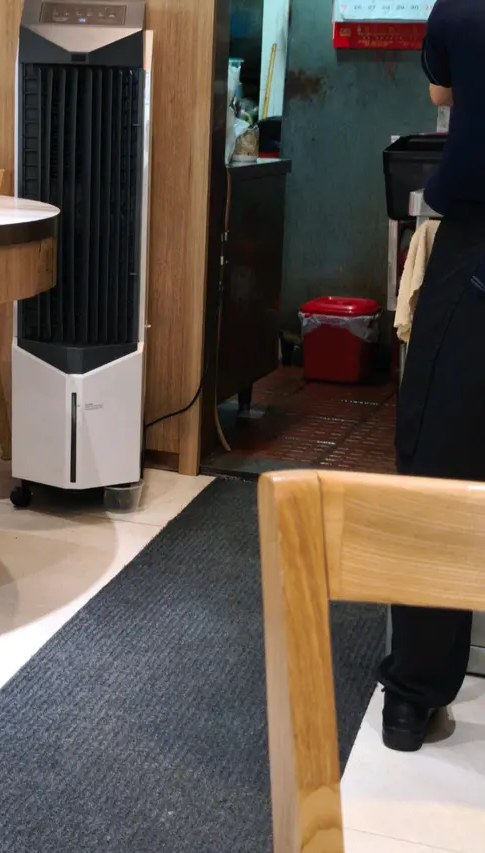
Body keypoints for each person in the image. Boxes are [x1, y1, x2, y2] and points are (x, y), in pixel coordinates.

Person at [379, 0, 485, 753]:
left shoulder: (462, 8)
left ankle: (413, 697)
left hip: (475, 246)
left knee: (439, 469)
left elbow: (441, 91)